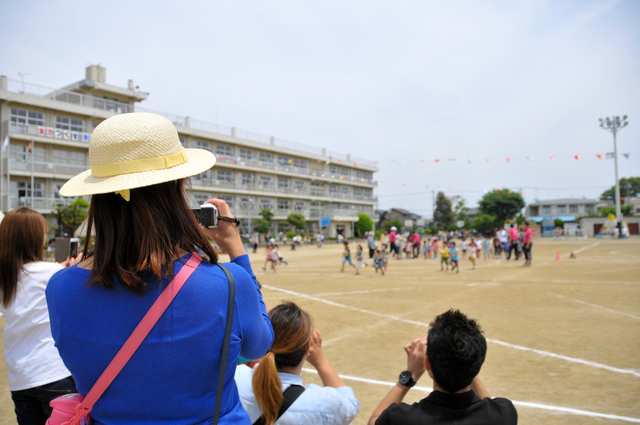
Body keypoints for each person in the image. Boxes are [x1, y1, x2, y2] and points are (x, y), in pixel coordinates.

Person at [46, 113, 274, 424]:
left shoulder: (59, 288)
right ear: (180, 185)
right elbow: (257, 345)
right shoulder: (228, 283)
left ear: (98, 196)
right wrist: (237, 251)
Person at [368, 309, 517, 425]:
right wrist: (466, 362)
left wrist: (409, 375)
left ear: (427, 364)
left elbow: (374, 420)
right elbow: (489, 408)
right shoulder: (504, 413)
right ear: (477, 365)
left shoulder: (401, 418)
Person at [0, 207, 78, 424]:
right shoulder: (52, 272)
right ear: (35, 237)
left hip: (20, 377)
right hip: (53, 372)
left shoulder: (5, 276)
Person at [235, 302, 360, 425]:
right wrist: (321, 363)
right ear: (307, 350)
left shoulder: (234, 378)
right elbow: (351, 405)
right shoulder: (323, 404)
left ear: (264, 340)